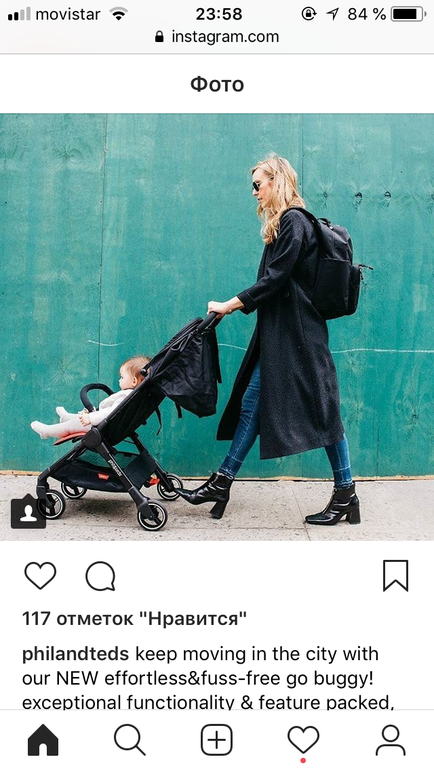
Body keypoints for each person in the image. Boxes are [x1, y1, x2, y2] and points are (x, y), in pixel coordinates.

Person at [179, 155, 360, 526]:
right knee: (253, 403)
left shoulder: (294, 221)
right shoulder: (287, 223)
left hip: (300, 335)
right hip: (284, 335)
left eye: (258, 184)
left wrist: (229, 305)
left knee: (325, 412)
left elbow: (275, 279)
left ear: (277, 181)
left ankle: (346, 493)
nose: (254, 192)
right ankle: (222, 481)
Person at [30, 355, 150, 439]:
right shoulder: (137, 396)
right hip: (107, 425)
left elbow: (110, 412)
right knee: (78, 420)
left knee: (71, 426)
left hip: (100, 426)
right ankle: (66, 417)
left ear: (134, 381)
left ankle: (47, 431)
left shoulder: (126, 396)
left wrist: (90, 418)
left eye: (122, 377)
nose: (120, 380)